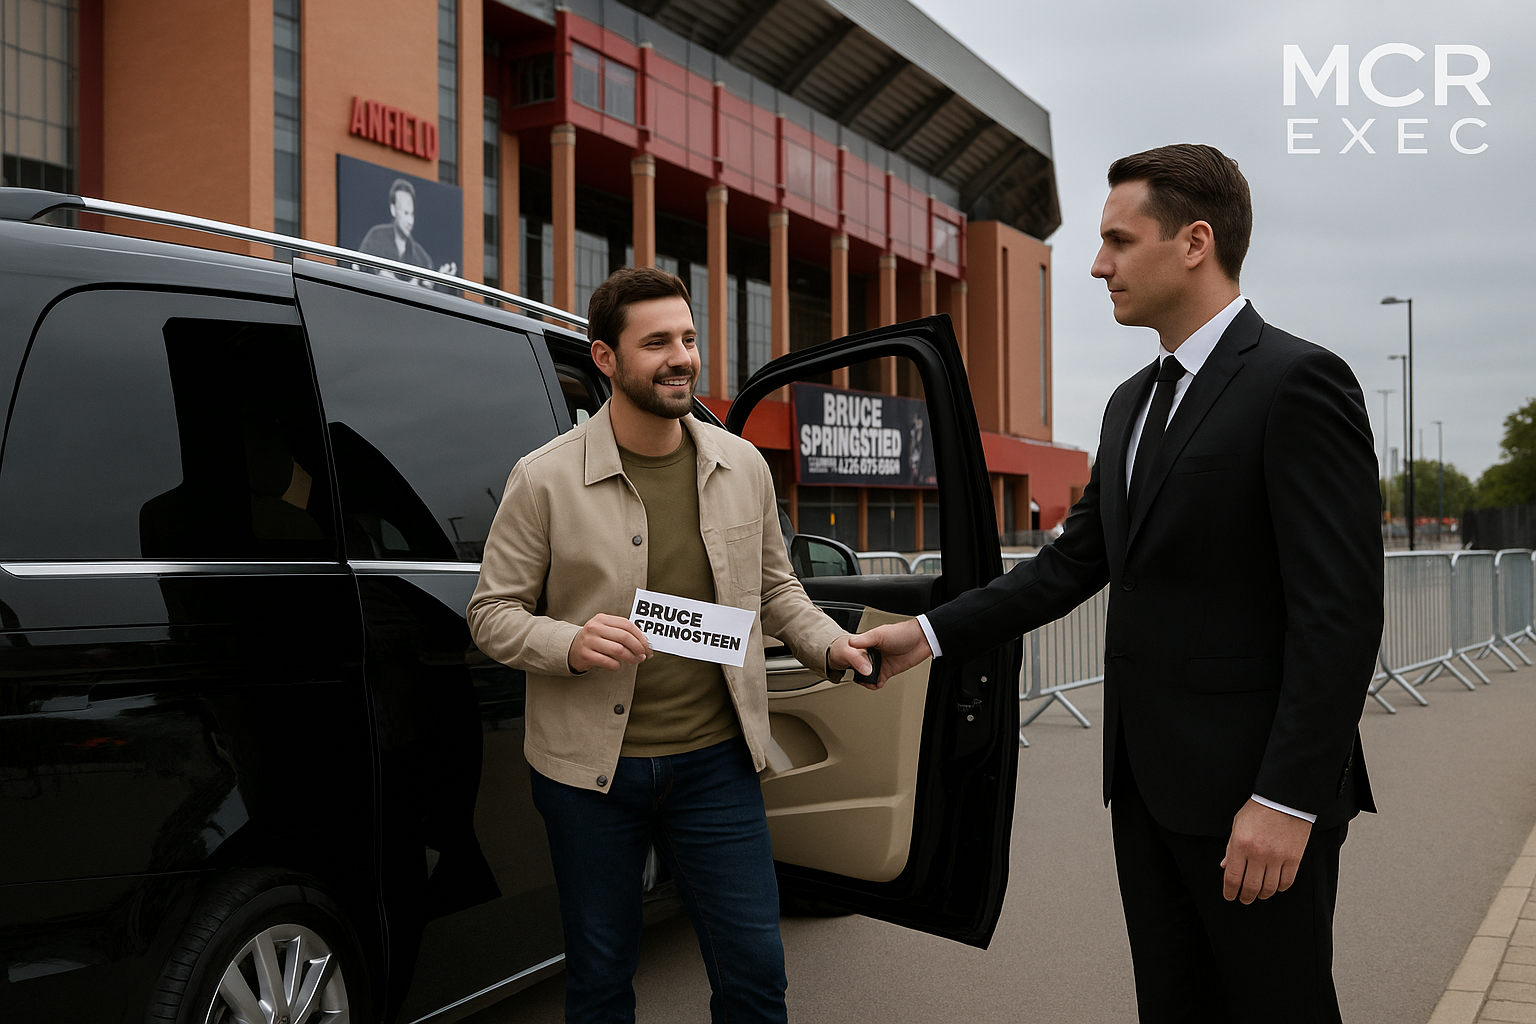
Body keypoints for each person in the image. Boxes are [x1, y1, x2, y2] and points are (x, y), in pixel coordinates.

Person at [851, 144, 1383, 1023]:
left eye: (1117, 240)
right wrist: (929, 633)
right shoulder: (1130, 402)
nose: (1097, 264)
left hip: (1256, 798)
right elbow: (1072, 563)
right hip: (1145, 790)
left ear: (1194, 242)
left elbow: (1340, 614)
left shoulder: (1298, 382)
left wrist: (1285, 797)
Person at [467, 266, 873, 1024]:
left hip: (717, 763)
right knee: (599, 977)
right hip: (589, 775)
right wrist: (569, 640)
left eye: (687, 338)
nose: (680, 356)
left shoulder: (742, 466)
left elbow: (777, 591)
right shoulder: (544, 479)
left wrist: (830, 645)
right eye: (656, 343)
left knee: (755, 976)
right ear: (606, 359)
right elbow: (491, 615)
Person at [356, 177, 457, 284]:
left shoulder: (422, 258)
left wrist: (441, 280)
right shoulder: (376, 237)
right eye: (405, 213)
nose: (410, 221)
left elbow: (428, 291)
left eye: (412, 214)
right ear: (393, 210)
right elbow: (356, 269)